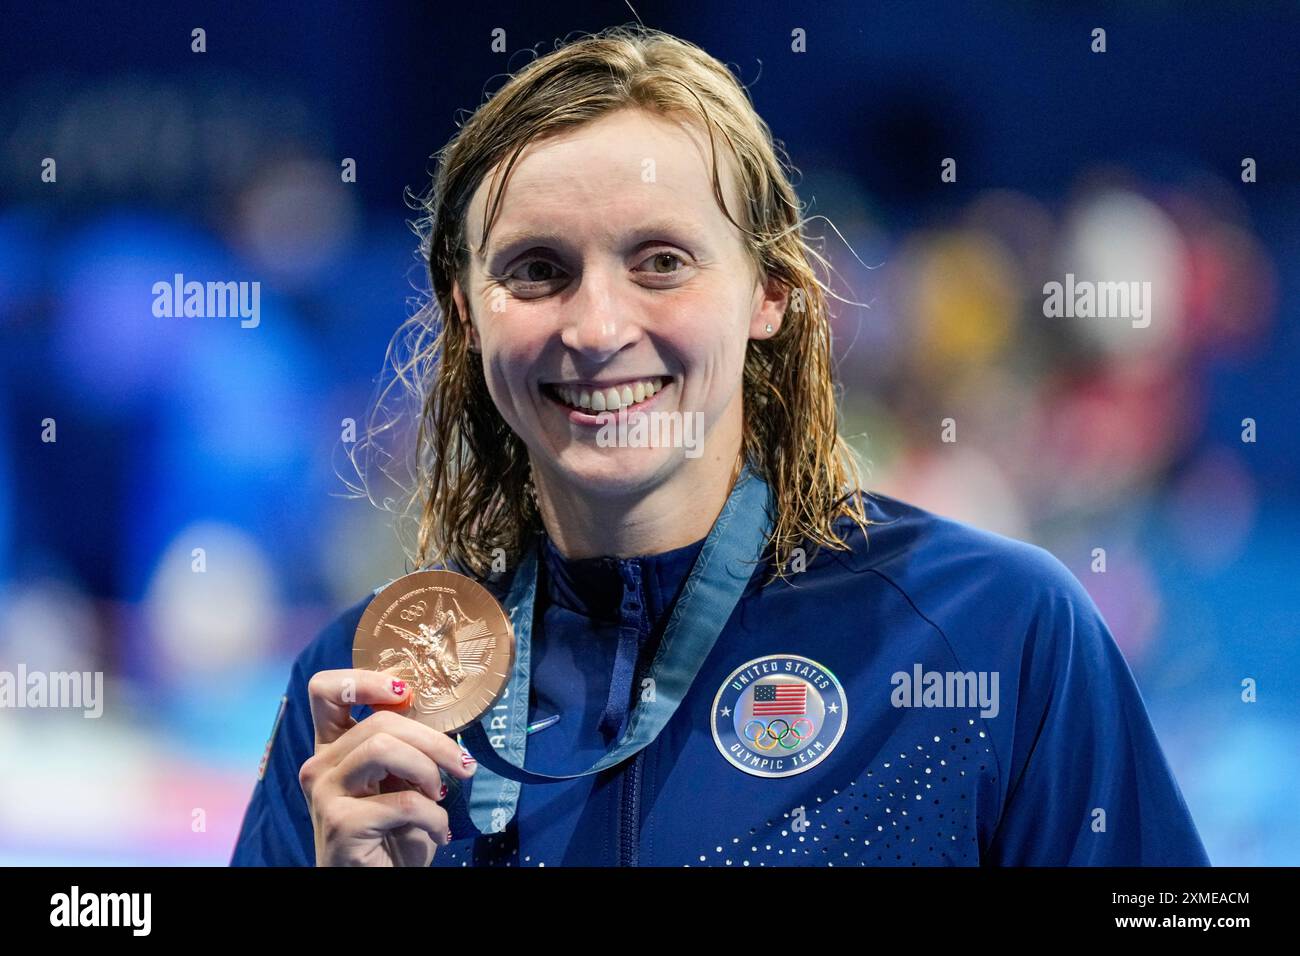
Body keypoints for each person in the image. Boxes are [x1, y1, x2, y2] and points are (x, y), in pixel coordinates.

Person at [230, 24, 1210, 867]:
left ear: (769, 292)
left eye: (661, 261)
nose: (596, 324)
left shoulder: (996, 631)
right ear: (467, 312)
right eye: (537, 270)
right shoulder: (371, 686)